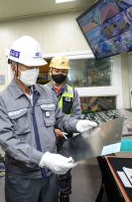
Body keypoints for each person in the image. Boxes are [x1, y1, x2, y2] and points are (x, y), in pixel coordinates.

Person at [0, 35, 98, 202]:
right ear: (14, 66)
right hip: (22, 180)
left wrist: (77, 124)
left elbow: (61, 119)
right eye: (30, 66)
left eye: (36, 66)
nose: (35, 70)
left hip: (49, 177)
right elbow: (7, 141)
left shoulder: (46, 93)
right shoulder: (1, 101)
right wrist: (43, 158)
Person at [46, 56, 81, 202]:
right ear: (51, 71)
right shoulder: (42, 91)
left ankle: (65, 196)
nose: (60, 73)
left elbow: (76, 115)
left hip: (66, 138)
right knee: (49, 168)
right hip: (48, 138)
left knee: (65, 169)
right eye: (57, 70)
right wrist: (53, 130)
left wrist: (65, 131)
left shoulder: (72, 92)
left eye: (63, 71)